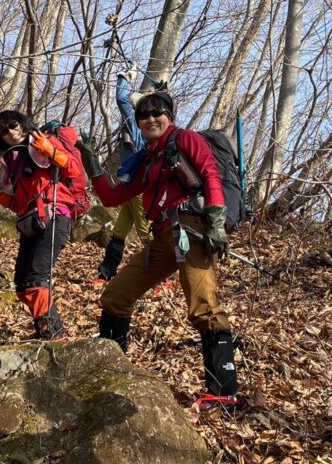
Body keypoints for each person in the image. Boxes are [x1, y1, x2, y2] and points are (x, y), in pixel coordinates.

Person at [77, 89, 243, 412]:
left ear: (170, 116)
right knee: (115, 296)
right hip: (163, 236)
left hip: (192, 229)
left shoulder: (186, 139)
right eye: (144, 115)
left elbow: (210, 174)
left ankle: (224, 394)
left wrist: (216, 220)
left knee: (204, 307)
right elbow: (113, 197)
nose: (151, 119)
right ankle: (110, 372)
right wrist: (92, 165)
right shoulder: (148, 158)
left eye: (157, 113)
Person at [0, 110, 76, 340]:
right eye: (3, 130)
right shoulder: (12, 160)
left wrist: (49, 150)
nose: (10, 132)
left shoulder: (43, 141)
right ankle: (45, 331)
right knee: (21, 284)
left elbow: (73, 169)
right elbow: (18, 204)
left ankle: (55, 336)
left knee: (37, 279)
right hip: (31, 222)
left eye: (13, 125)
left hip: (55, 215)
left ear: (22, 123)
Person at [95, 67, 151, 281]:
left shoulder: (136, 123)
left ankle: (158, 277)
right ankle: (106, 273)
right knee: (119, 231)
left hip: (138, 187)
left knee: (145, 231)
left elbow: (121, 99)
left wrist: (123, 77)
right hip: (131, 186)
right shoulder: (147, 129)